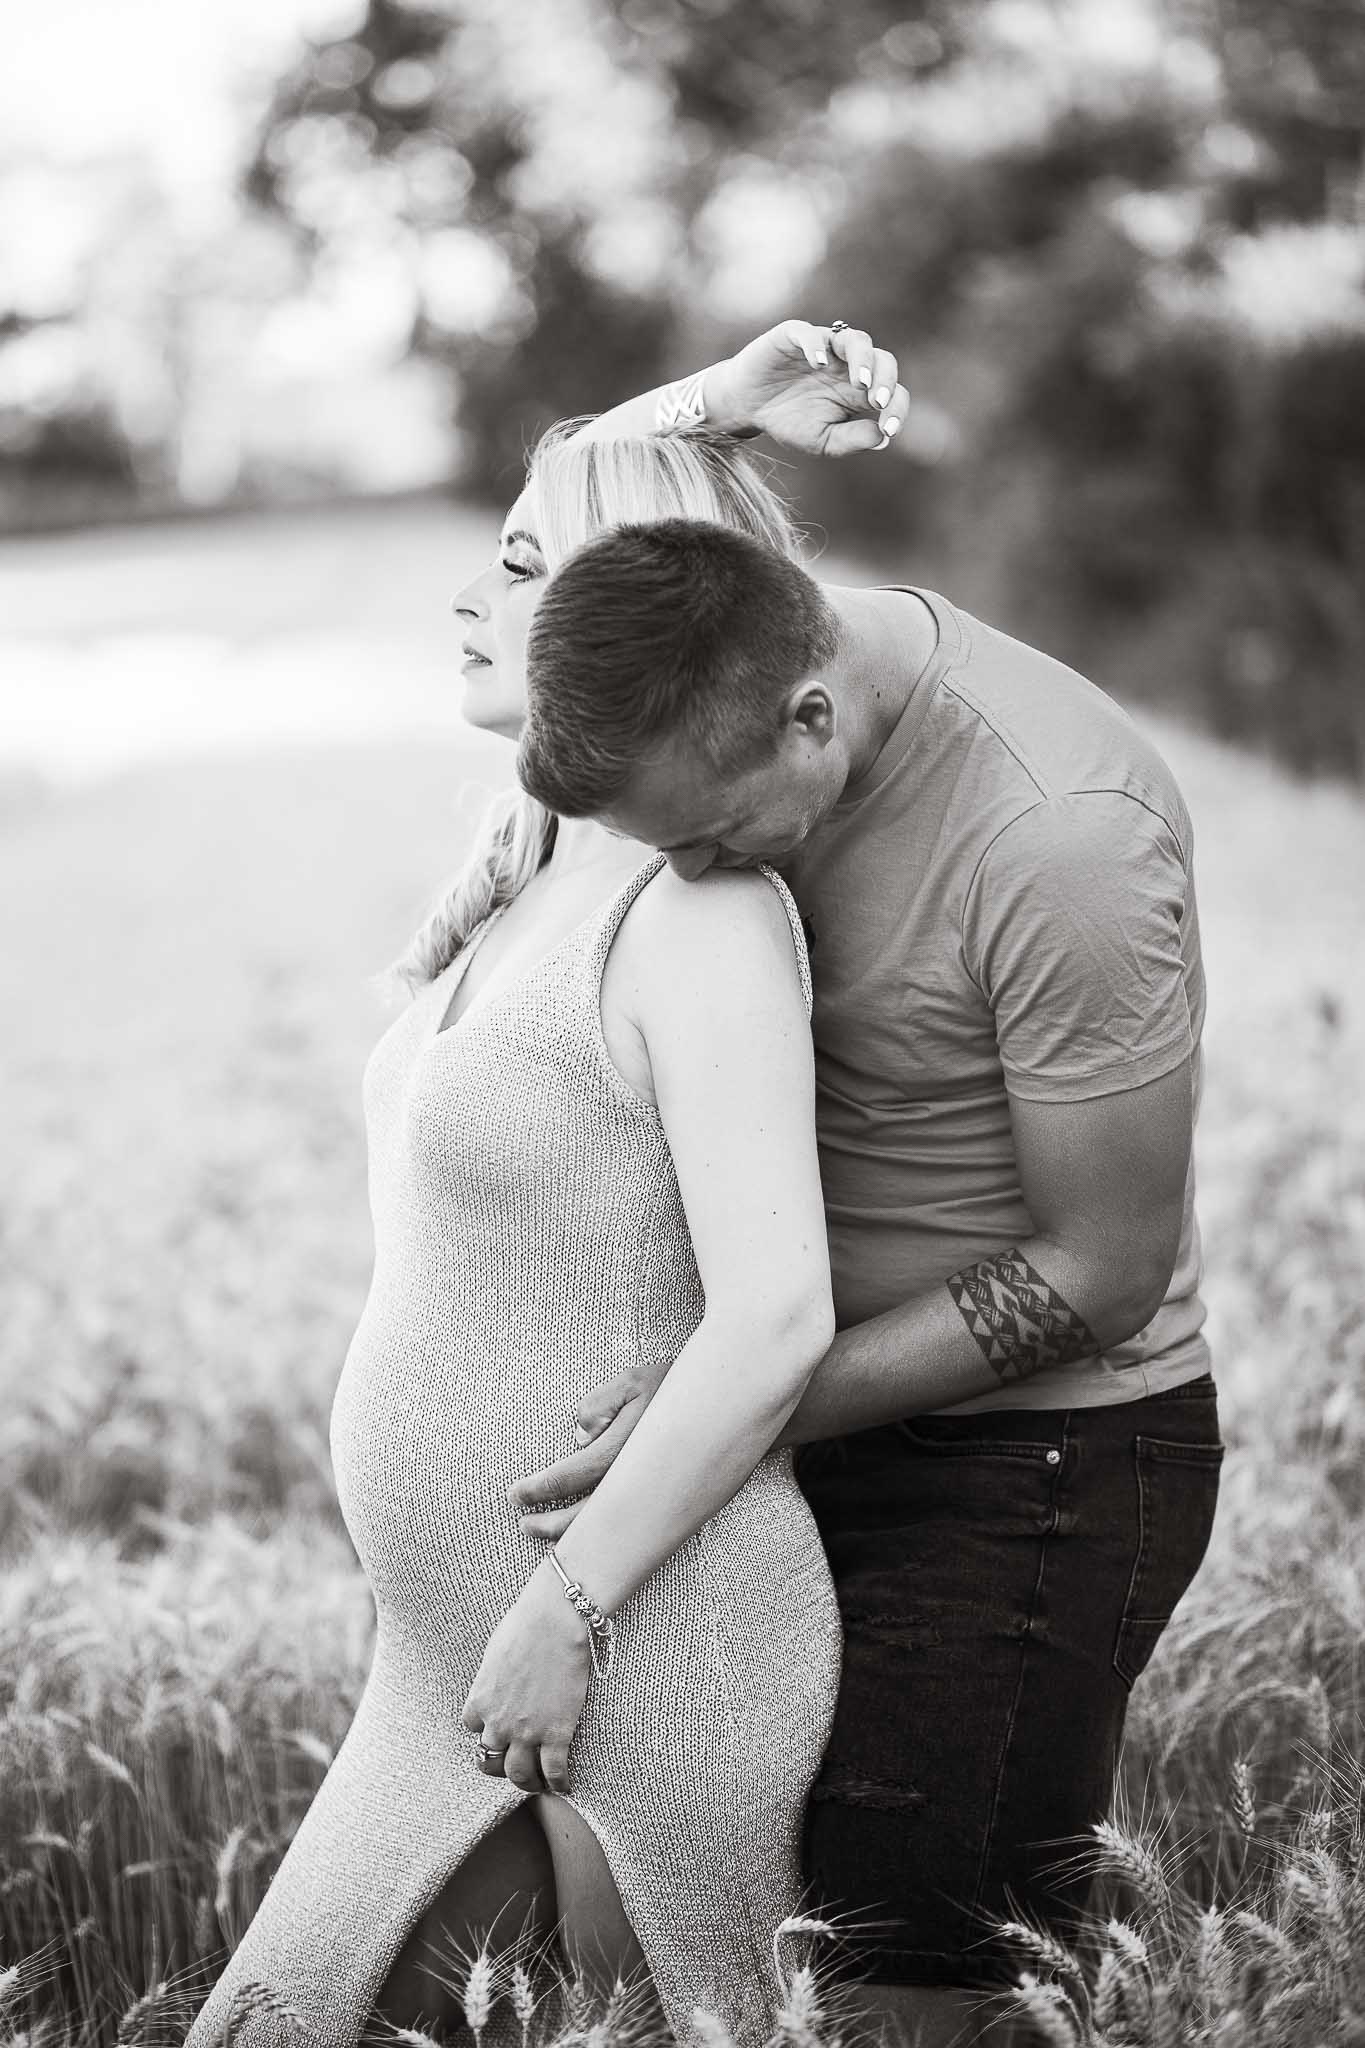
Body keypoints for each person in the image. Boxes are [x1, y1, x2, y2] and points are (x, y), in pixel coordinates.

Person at [185, 328, 912, 2048]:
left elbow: (777, 1316)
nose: (465, 598)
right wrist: (708, 408)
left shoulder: (697, 914)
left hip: (639, 1648)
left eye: (518, 570)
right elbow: (613, 513)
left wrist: (566, 1608)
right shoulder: (534, 871)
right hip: (448, 1667)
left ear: (611, 631)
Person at [511, 349, 1224, 2047]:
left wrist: (725, 1410)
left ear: (812, 719)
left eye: (708, 839)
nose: (691, 883)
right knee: (716, 1952)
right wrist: (710, 400)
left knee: (904, 1989)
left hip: (1029, 1470)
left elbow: (1102, 1269)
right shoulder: (728, 666)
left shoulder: (1056, 839)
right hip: (780, 1424)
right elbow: (558, 548)